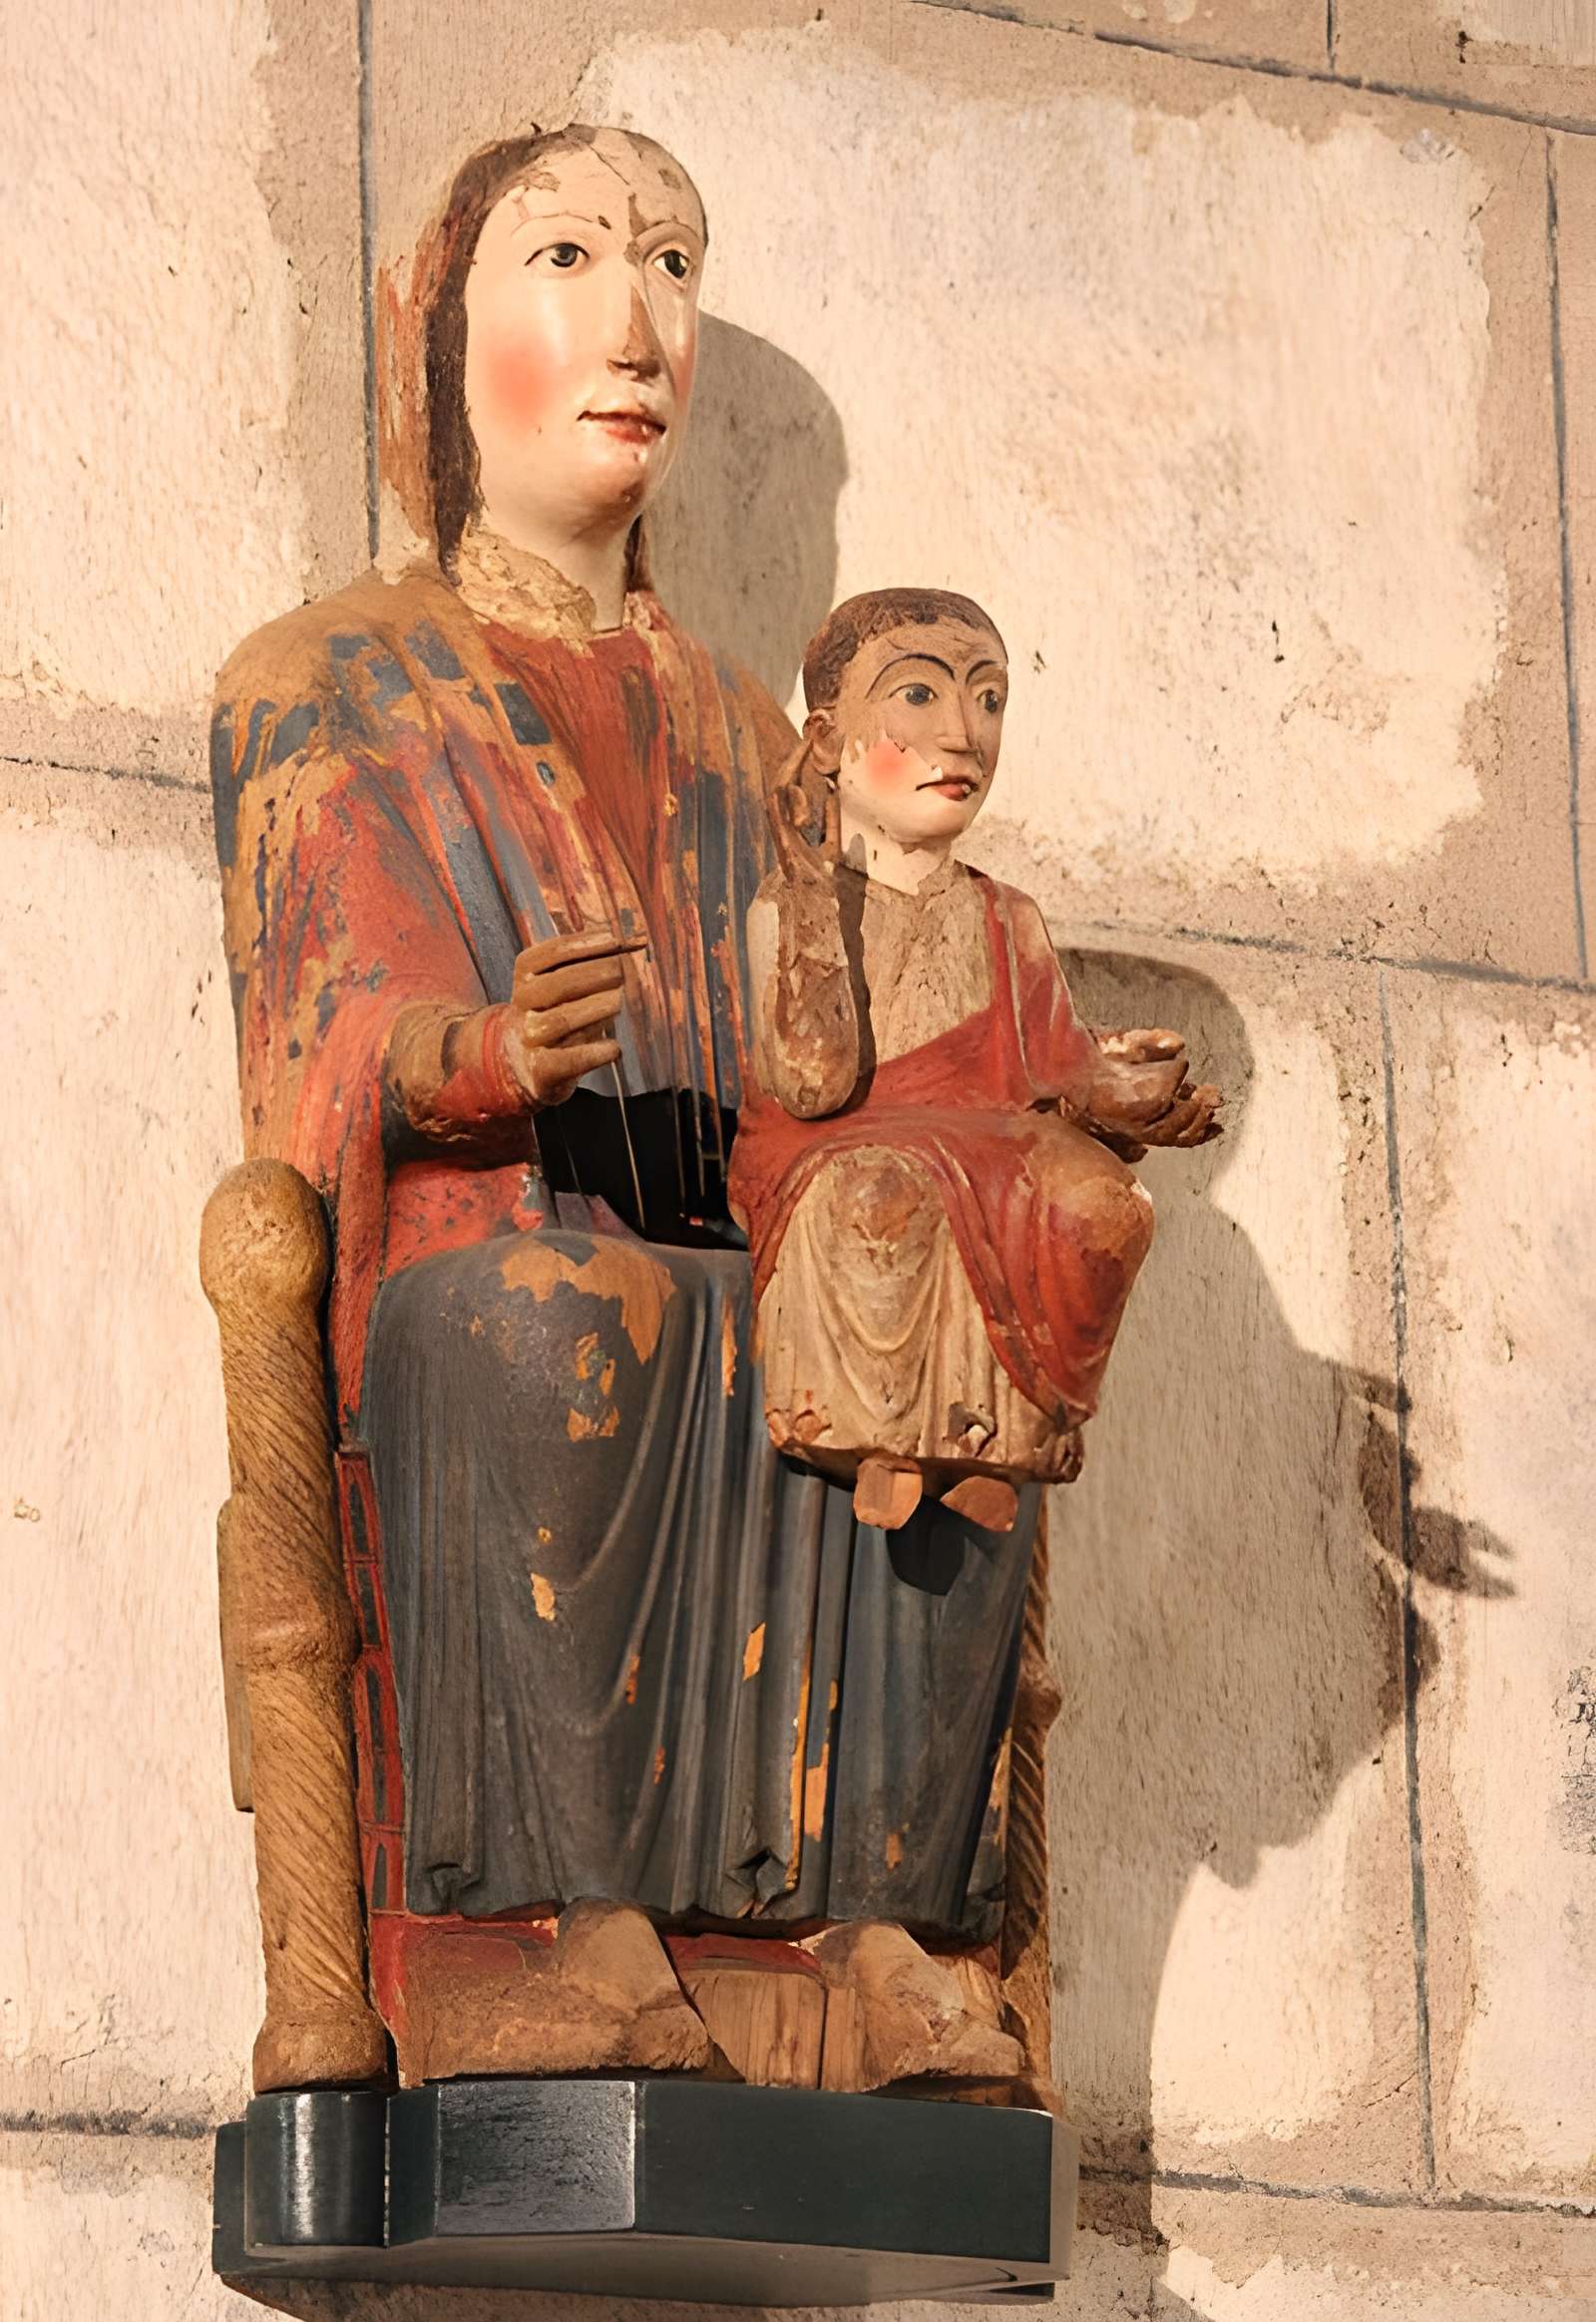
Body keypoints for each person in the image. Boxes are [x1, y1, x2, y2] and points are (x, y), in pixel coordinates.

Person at [211, 131, 1042, 2086]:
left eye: (673, 262)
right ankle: (580, 1936)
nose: (637, 319)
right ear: (443, 334)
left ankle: (892, 1930)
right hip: (474, 1247)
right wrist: (475, 1054)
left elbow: (817, 1043)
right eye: (567, 256)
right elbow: (316, 1018)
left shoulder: (743, 724)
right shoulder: (327, 678)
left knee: (954, 1387)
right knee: (558, 1318)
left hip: (721, 1221)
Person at [730, 587, 1221, 1535]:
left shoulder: (1008, 917)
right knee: (875, 1196)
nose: (964, 737)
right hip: (841, 1148)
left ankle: (1004, 1439)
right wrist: (805, 889)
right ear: (827, 741)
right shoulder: (789, 908)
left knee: (1103, 1204)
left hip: (994, 1145)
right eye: (919, 697)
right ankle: (866, 1427)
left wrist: (1130, 1095)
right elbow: (811, 1082)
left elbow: (1060, 1075)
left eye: (990, 701)